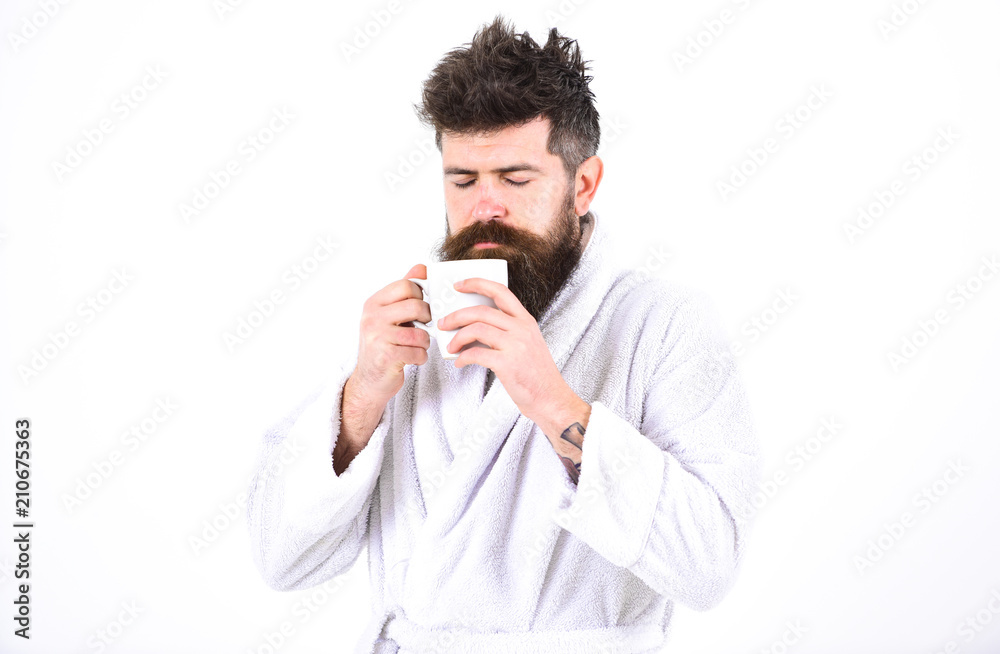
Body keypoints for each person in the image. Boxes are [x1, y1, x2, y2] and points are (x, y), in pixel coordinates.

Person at [248, 15, 762, 654]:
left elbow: (709, 566)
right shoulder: (404, 328)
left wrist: (552, 400)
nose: (484, 206)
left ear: (583, 183)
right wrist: (359, 403)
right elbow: (281, 561)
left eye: (516, 180)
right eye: (462, 181)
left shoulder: (664, 325)